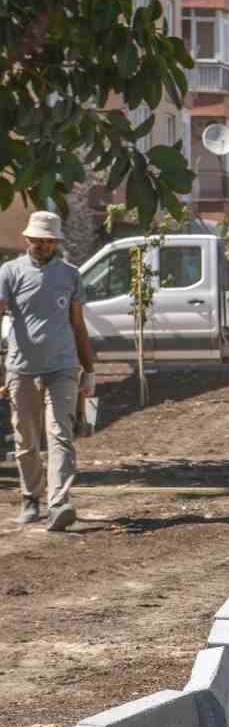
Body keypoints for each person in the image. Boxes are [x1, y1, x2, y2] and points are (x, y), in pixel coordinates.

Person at [0, 212, 95, 531]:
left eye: (49, 240)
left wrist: (89, 371)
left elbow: (79, 326)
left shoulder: (70, 275)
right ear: (27, 239)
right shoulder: (9, 273)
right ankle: (31, 498)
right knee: (25, 439)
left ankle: (59, 504)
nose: (42, 245)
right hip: (21, 369)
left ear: (56, 242)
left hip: (63, 368)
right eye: (37, 239)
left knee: (60, 435)